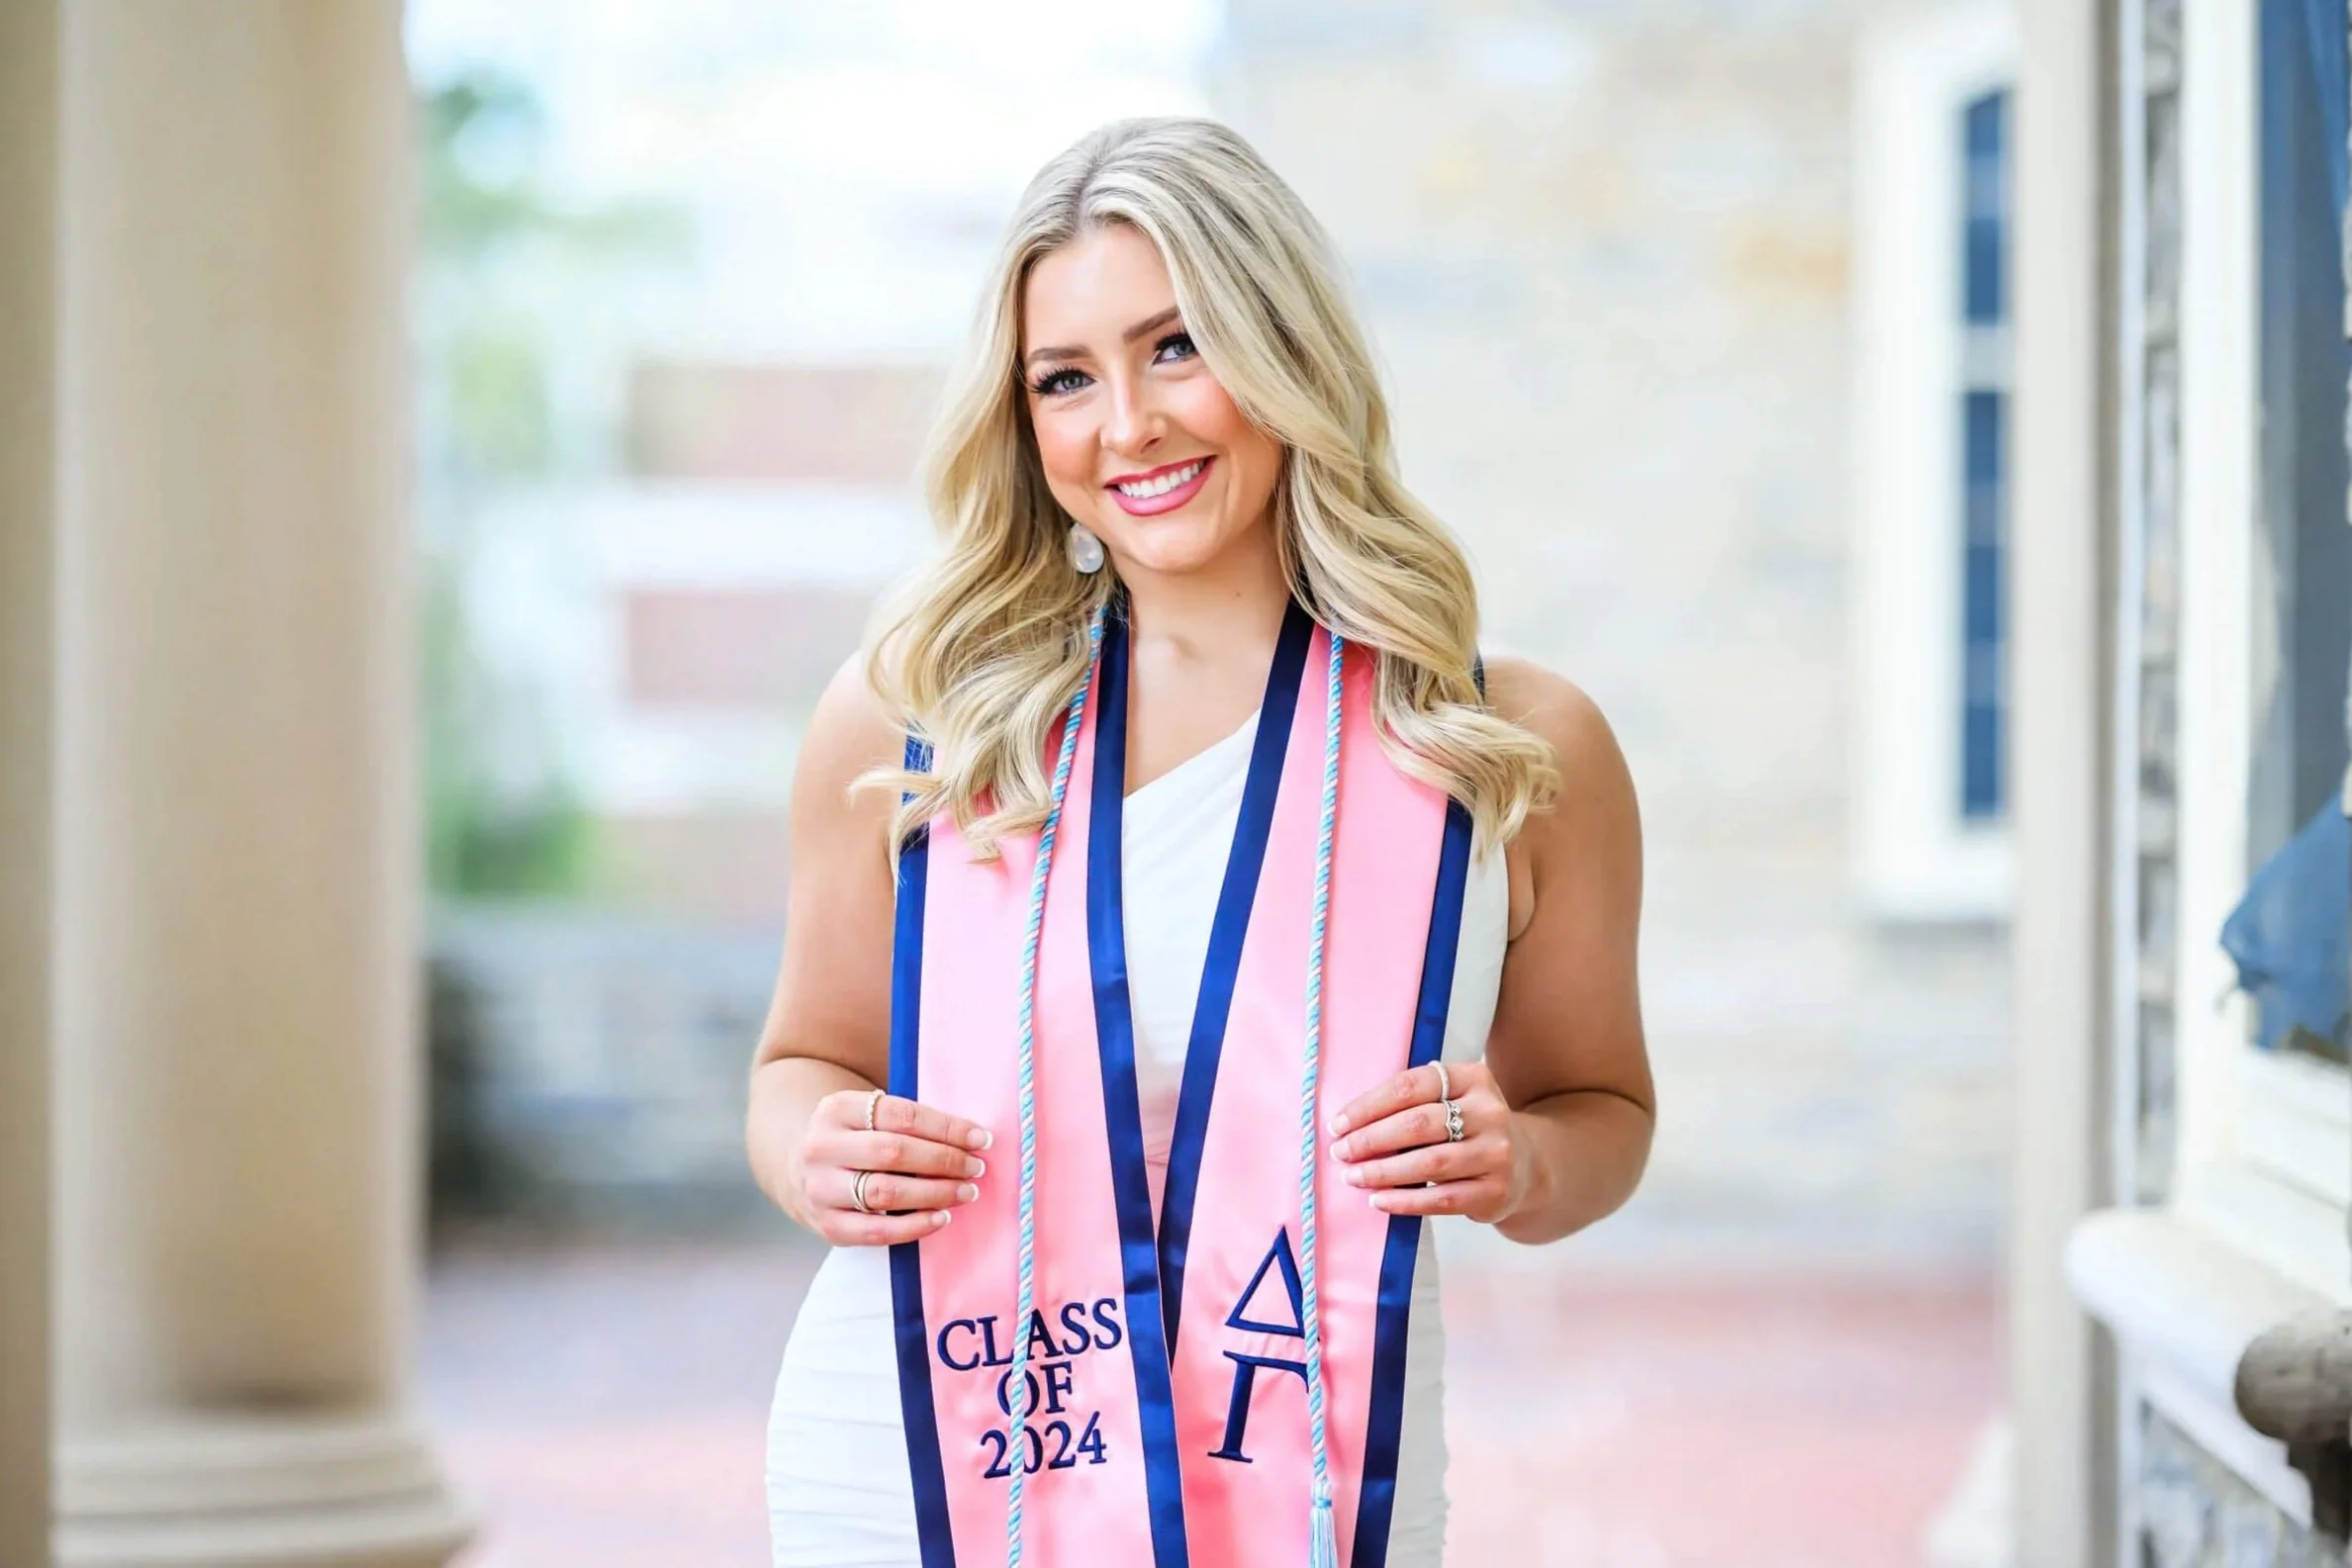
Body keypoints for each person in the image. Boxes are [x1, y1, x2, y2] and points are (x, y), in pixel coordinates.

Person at [747, 116, 1653, 1568]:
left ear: (1284, 347)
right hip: (933, 1459)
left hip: (1316, 1468)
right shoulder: (920, 720)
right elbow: (803, 1067)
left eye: (1176, 348)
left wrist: (1523, 1164)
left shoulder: (1511, 746)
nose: (1129, 426)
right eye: (1066, 379)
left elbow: (1603, 1110)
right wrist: (817, 1155)